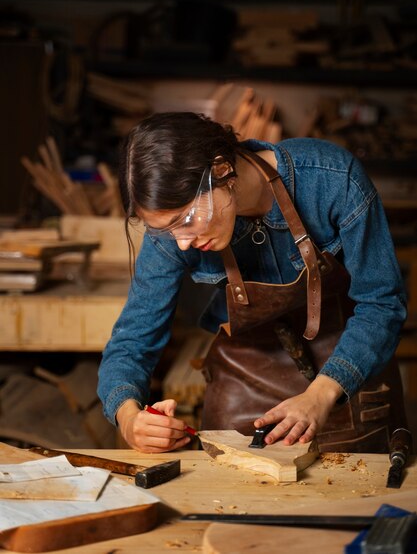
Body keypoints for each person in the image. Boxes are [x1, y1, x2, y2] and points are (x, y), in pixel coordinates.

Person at [97, 111, 408, 454]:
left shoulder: (331, 179)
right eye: (167, 230)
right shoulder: (174, 235)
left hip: (348, 377)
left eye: (184, 220)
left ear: (220, 169)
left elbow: (383, 304)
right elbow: (132, 341)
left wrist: (322, 393)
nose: (181, 242)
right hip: (244, 387)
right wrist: (129, 417)